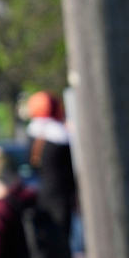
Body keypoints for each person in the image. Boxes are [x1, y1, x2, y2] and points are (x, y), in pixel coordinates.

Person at [25, 90, 78, 239]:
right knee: (62, 236)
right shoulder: (61, 136)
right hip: (61, 195)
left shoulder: (33, 134)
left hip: (42, 193)